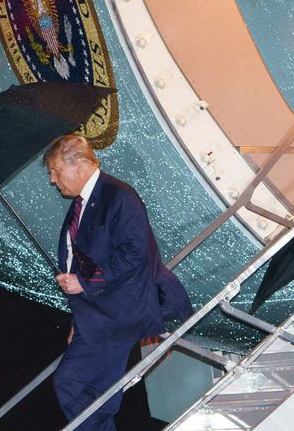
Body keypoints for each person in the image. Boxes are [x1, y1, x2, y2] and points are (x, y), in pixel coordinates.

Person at [44, 134, 193, 430]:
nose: (52, 179)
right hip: (98, 315)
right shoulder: (82, 205)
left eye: (55, 170)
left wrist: (84, 284)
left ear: (79, 164)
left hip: (122, 311)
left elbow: (134, 253)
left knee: (74, 383)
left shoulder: (119, 196)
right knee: (83, 389)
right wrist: (79, 318)